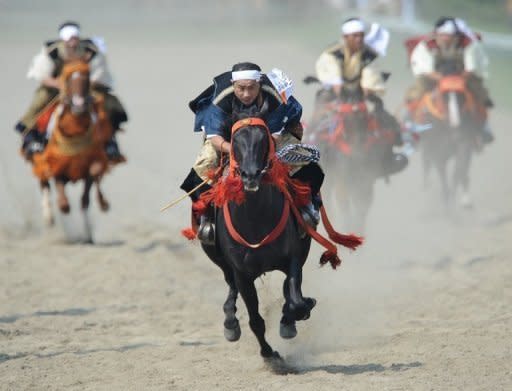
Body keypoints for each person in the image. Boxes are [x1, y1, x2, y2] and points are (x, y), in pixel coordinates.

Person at [180, 62, 324, 244]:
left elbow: (276, 135)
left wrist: (260, 150)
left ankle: (307, 206)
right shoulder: (220, 100)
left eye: (252, 88)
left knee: (304, 161)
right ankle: (206, 218)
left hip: (271, 136)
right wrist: (232, 149)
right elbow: (214, 136)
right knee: (205, 163)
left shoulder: (275, 96)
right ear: (233, 85)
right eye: (241, 89)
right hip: (226, 139)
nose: (246, 94)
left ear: (260, 84)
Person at [15, 21, 128, 161]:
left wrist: (82, 86)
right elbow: (42, 74)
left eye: (75, 37)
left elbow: (99, 73)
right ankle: (31, 134)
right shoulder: (52, 51)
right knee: (41, 99)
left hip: (87, 88)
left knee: (107, 103)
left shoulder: (90, 50)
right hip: (57, 88)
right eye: (69, 38)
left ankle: (110, 141)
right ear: (63, 38)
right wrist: (61, 85)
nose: (72, 41)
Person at [314, 17, 407, 177]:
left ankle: (389, 156)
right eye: (355, 36)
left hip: (360, 94)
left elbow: (370, 77)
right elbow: (333, 76)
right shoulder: (332, 54)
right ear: (346, 37)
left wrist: (366, 92)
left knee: (383, 116)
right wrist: (339, 90)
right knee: (318, 119)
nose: (359, 39)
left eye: (361, 36)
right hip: (335, 93)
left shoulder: (367, 55)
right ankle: (312, 156)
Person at [405, 17, 493, 144]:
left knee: (481, 93)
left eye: (449, 36)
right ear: (437, 35)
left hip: (461, 77)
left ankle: (484, 127)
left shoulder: (469, 45)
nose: (445, 39)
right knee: (416, 93)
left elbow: (470, 68)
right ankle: (409, 124)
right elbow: (427, 70)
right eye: (442, 36)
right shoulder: (426, 46)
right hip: (434, 76)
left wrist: (458, 79)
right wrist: (443, 79)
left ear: (456, 37)